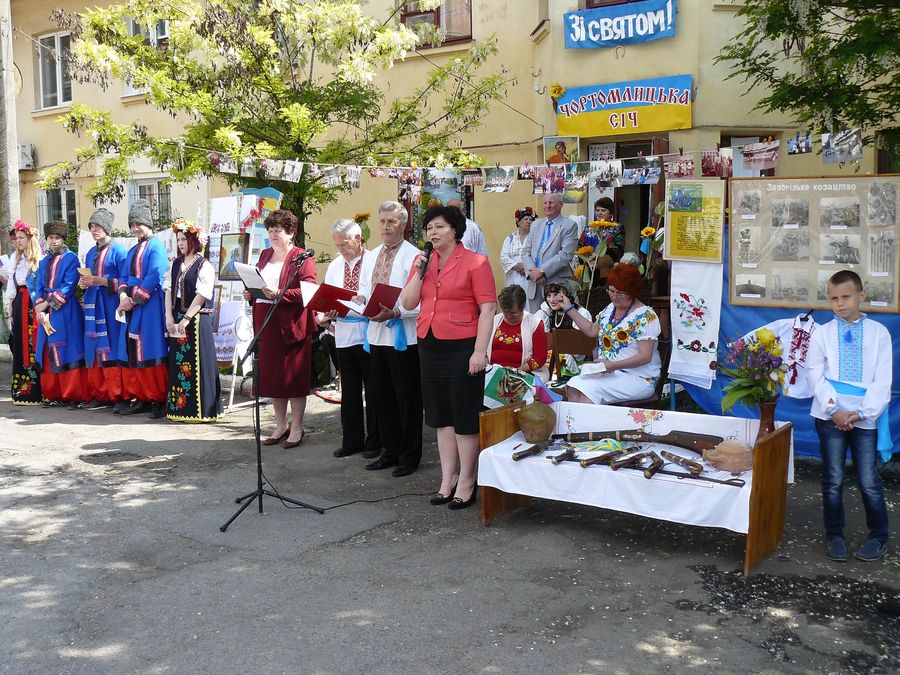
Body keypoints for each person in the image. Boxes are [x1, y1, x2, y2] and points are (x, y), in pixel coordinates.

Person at [400, 204, 496, 508]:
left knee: (464, 416)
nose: (433, 232)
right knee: (441, 416)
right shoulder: (423, 261)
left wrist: (479, 351)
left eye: (439, 227)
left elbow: (488, 309)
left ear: (454, 230)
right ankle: (447, 478)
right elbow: (409, 301)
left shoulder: (476, 262)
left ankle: (468, 480)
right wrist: (418, 273)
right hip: (429, 344)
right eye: (429, 228)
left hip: (463, 347)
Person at [806, 270, 891, 562]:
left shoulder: (879, 333)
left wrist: (862, 413)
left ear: (861, 296)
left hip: (864, 418)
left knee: (869, 479)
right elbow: (814, 373)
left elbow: (883, 379)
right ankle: (835, 534)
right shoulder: (822, 333)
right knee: (833, 478)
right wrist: (834, 410)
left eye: (846, 296)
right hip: (830, 417)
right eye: (833, 298)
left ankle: (879, 536)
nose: (840, 303)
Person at [356, 201, 423, 477]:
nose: (385, 226)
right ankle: (389, 450)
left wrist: (396, 311)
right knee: (381, 397)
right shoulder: (370, 255)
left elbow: (422, 300)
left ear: (403, 224)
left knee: (407, 399)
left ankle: (409, 455)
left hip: (403, 338)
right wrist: (357, 301)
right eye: (382, 221)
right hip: (375, 335)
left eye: (391, 222)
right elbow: (362, 290)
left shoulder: (414, 256)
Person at [242, 209, 316, 447]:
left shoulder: (301, 256)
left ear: (291, 233)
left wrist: (279, 294)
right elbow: (259, 285)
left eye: (279, 231)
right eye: (271, 230)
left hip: (291, 324)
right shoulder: (264, 255)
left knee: (292, 378)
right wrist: (250, 293)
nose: (273, 235)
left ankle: (297, 427)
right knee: (273, 377)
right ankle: (281, 424)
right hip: (267, 322)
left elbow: (309, 290)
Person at [320, 218, 380, 458]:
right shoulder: (335, 265)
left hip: (368, 333)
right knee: (350, 390)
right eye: (337, 246)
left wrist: (363, 299)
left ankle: (376, 441)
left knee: (374, 390)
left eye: (345, 244)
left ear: (358, 238)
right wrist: (328, 310)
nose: (341, 250)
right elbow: (327, 294)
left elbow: (377, 291)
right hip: (344, 333)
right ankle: (352, 440)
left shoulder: (372, 260)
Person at [559, 264, 661, 404]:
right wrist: (568, 308)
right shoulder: (609, 309)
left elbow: (645, 356)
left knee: (589, 393)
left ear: (632, 291)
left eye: (620, 293)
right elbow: (591, 330)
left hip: (639, 378)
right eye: (611, 291)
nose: (614, 297)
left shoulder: (646, 316)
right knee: (573, 386)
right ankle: (577, 424)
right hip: (610, 373)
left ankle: (587, 425)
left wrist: (613, 365)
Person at [164, 220, 222, 423]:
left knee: (197, 364)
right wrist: (169, 316)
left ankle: (203, 411)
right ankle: (180, 409)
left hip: (196, 319)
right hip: (178, 316)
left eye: (184, 239)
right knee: (179, 363)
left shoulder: (203, 264)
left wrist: (188, 318)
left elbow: (202, 294)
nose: (180, 243)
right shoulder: (176, 263)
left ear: (194, 241)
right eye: (178, 239)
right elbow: (169, 290)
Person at [117, 199, 169, 419]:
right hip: (134, 305)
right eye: (133, 224)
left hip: (150, 305)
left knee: (152, 348)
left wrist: (135, 299)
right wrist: (122, 295)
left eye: (139, 223)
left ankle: (158, 398)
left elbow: (156, 274)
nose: (136, 228)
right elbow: (123, 276)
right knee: (134, 349)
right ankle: (142, 396)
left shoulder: (156, 246)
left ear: (149, 224)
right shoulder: (133, 249)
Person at [79, 208, 128, 411]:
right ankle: (100, 393)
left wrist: (102, 281)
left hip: (110, 305)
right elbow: (87, 278)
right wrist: (84, 283)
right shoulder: (90, 252)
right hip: (93, 304)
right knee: (95, 347)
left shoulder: (118, 251)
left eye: (97, 226)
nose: (93, 230)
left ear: (107, 228)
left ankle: (118, 395)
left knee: (113, 348)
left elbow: (126, 281)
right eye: (91, 226)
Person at [34, 220, 87, 407]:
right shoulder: (44, 260)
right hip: (46, 311)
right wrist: (39, 306)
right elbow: (38, 285)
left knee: (67, 349)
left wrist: (47, 304)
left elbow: (69, 285)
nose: (54, 241)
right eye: (50, 237)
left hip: (65, 310)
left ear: (63, 239)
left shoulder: (71, 258)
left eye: (57, 237)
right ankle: (54, 393)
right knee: (48, 349)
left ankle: (73, 394)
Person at [4, 220, 43, 405]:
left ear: (30, 239)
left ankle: (37, 390)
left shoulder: (38, 259)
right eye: (17, 238)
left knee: (33, 344)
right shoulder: (15, 258)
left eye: (21, 238)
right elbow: (11, 288)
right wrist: (9, 311)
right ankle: (21, 390)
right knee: (20, 343)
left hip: (33, 304)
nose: (18, 241)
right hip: (20, 302)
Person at [521, 193, 579, 313]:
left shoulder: (569, 225)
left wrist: (542, 271)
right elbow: (525, 251)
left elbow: (565, 255)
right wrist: (533, 272)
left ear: (561, 204)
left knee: (555, 325)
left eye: (551, 202)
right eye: (545, 203)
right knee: (536, 324)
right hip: (534, 284)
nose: (547, 206)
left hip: (556, 283)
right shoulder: (536, 224)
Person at [487, 284, 548, 380]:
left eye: (513, 313)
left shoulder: (535, 323)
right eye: (505, 312)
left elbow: (540, 357)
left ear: (522, 307)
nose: (508, 316)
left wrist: (515, 371)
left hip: (523, 373)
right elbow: (482, 352)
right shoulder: (493, 321)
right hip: (492, 372)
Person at [536, 281, 592, 378]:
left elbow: (582, 349)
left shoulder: (580, 314)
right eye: (548, 295)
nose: (552, 300)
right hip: (553, 361)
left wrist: (565, 353)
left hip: (576, 364)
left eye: (556, 295)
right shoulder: (547, 313)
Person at [499, 206, 535, 291]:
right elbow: (504, 257)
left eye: (530, 219)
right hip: (513, 274)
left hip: (529, 273)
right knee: (514, 298)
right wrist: (516, 266)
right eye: (526, 219)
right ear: (518, 222)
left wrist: (527, 267)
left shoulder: (534, 237)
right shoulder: (510, 238)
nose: (529, 222)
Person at [581, 196, 624, 262]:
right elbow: (580, 245)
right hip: (588, 263)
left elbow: (617, 249)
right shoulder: (589, 228)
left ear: (611, 213)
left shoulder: (617, 228)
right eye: (597, 210)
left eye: (603, 210)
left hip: (608, 264)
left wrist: (597, 255)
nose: (599, 213)